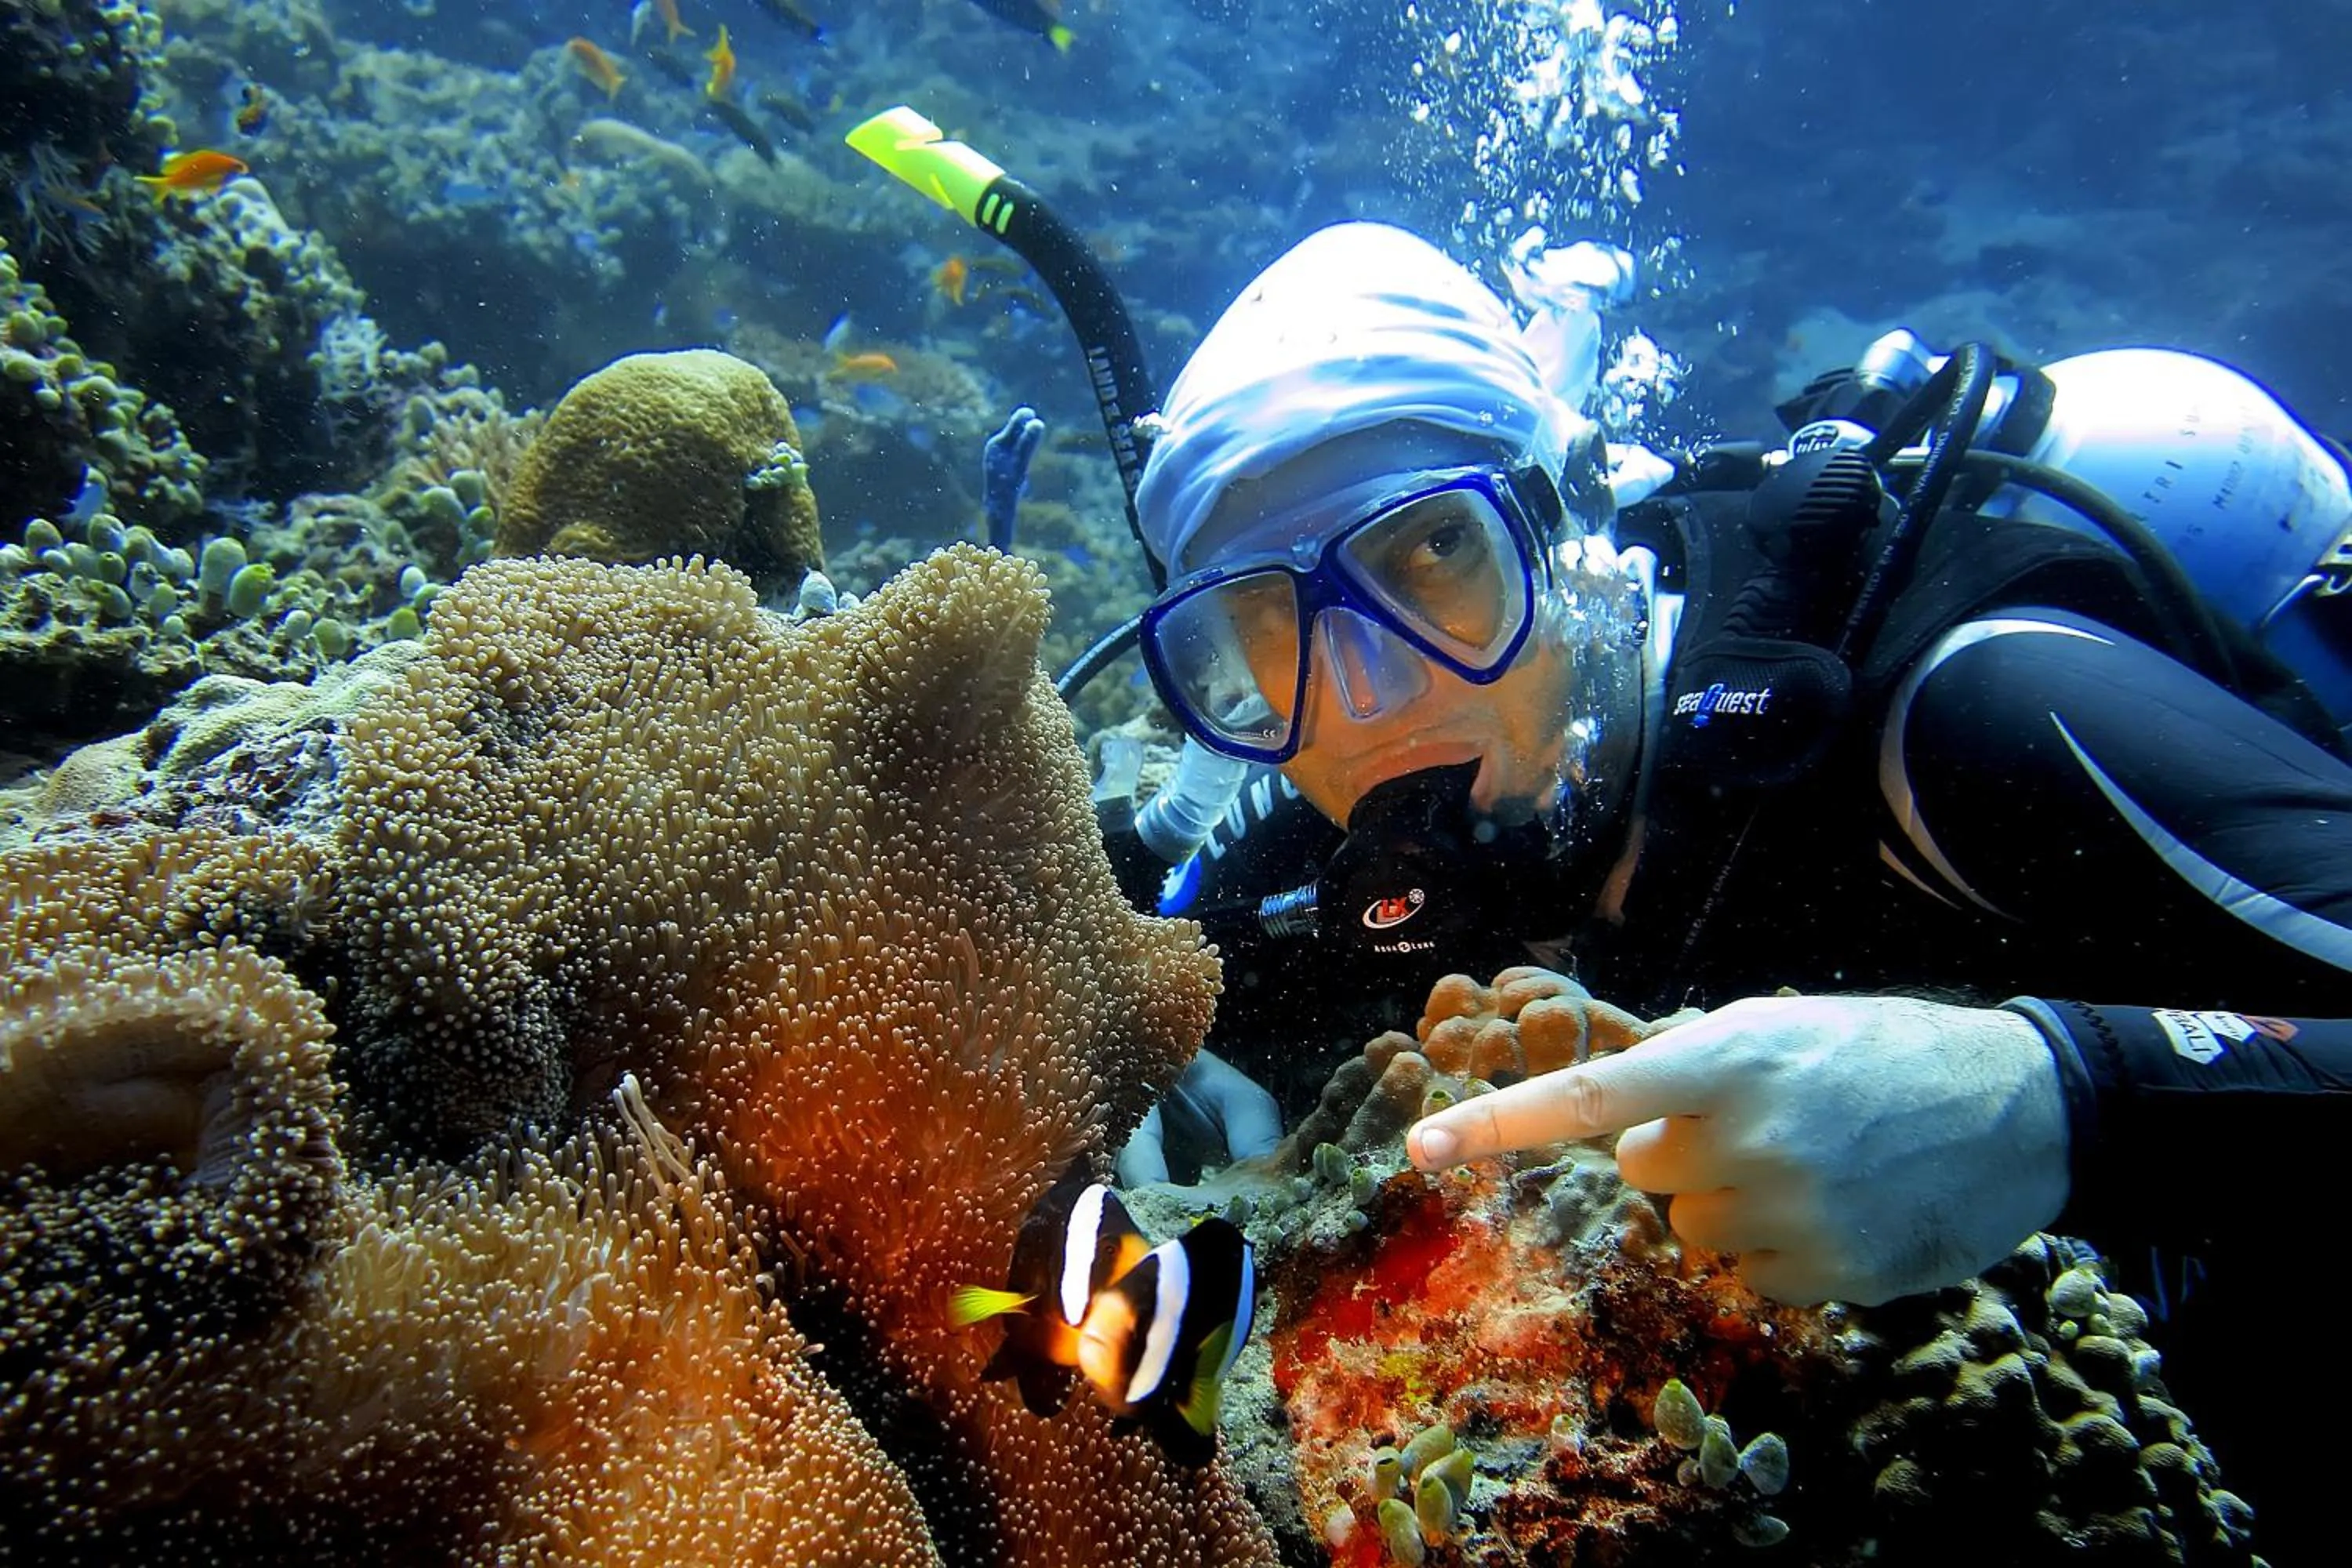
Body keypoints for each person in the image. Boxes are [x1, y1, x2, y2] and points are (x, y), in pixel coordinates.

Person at [1081, 220, 2351, 1542]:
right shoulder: (1314, 831)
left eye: (1433, 557)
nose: (1362, 697)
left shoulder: (1969, 716)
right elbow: (1129, 970)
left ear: (1569, 514)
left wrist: (2063, 1096)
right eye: (1266, 624)